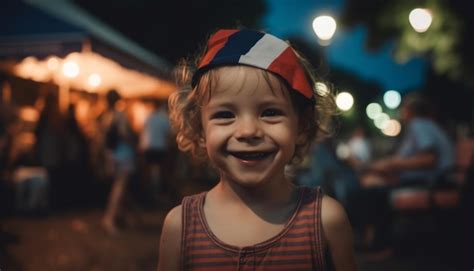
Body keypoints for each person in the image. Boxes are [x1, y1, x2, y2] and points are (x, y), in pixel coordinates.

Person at [157, 29, 357, 271]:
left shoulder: (326, 221)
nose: (248, 131)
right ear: (200, 130)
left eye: (270, 112)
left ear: (302, 126)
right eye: (225, 115)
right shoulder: (180, 227)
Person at [100, 89, 139, 234]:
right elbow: (125, 134)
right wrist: (134, 143)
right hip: (124, 154)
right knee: (120, 187)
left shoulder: (106, 116)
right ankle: (109, 218)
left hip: (111, 155)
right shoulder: (119, 115)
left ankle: (128, 217)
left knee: (122, 187)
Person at [139, 98, 172, 202]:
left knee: (149, 171)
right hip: (160, 148)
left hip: (148, 148)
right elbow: (168, 134)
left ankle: (150, 193)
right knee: (160, 170)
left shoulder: (148, 117)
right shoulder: (164, 118)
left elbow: (143, 132)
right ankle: (158, 193)